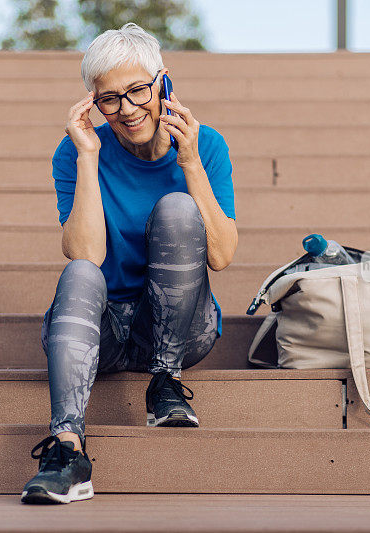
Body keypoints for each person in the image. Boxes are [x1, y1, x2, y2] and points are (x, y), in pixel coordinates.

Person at [20, 22, 237, 505]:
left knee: (179, 209)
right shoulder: (76, 151)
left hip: (183, 330)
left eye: (138, 90)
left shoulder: (207, 145)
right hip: (107, 335)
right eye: (109, 99)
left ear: (164, 80)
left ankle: (165, 382)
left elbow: (221, 256)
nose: (127, 109)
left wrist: (191, 163)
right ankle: (67, 450)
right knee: (77, 273)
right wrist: (90, 158)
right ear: (93, 102)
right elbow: (87, 255)